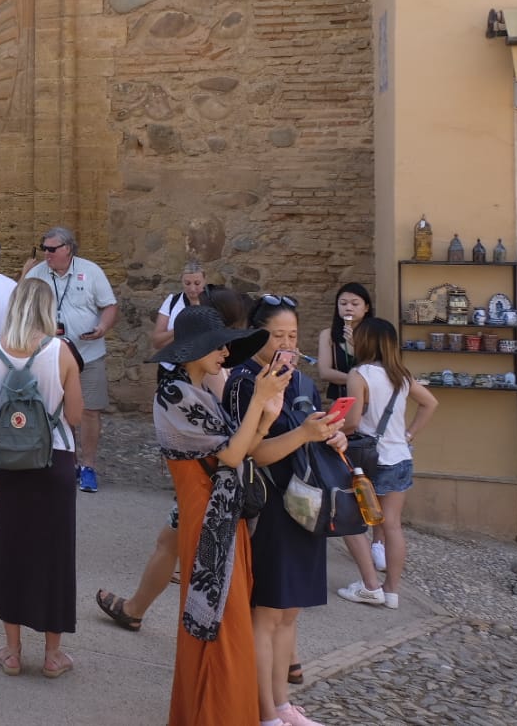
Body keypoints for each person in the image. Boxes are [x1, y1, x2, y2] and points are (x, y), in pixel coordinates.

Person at [149, 305, 289, 726]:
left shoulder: (201, 392)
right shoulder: (173, 394)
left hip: (222, 519)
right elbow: (230, 454)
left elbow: (242, 450)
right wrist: (259, 404)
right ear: (193, 350)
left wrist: (267, 418)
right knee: (219, 625)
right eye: (217, 347)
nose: (225, 353)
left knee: (227, 624)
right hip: (205, 518)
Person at [96, 288, 250, 634]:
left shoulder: (210, 365)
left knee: (200, 558)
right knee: (169, 543)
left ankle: (277, 651)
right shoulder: (200, 374)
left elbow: (226, 437)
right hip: (208, 478)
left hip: (209, 482)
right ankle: (135, 608)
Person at [223, 296, 347, 726]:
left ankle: (280, 705)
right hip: (270, 502)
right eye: (278, 336)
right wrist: (304, 435)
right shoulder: (243, 381)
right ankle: (263, 712)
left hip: (307, 501)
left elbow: (311, 431)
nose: (288, 344)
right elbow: (250, 453)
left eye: (293, 336)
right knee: (269, 611)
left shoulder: (301, 380)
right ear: (258, 334)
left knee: (290, 612)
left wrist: (332, 436)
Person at [0, 281, 82, 680]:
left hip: (6, 462)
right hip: (53, 459)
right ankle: (52, 654)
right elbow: (75, 415)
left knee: (10, 551)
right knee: (54, 556)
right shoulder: (62, 352)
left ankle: (11, 650)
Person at [336, 317, 439, 611]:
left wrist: (328, 429)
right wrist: (408, 434)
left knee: (351, 521)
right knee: (392, 526)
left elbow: (354, 421)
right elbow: (430, 403)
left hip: (369, 459)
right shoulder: (400, 375)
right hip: (400, 456)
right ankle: (391, 592)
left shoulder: (359, 373)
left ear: (366, 340)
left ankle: (370, 586)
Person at [23, 226, 117, 494]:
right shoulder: (38, 273)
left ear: (68, 249)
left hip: (88, 355)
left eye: (51, 249)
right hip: (48, 356)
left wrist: (102, 328)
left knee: (89, 410)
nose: (46, 254)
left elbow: (110, 306)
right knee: (51, 409)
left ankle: (88, 466)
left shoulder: (91, 271)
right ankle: (65, 463)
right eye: (44, 248)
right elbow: (20, 303)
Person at [315, 282, 372, 403]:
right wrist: (356, 381)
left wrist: (355, 344)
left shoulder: (375, 334)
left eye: (355, 303)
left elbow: (377, 368)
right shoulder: (327, 335)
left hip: (370, 399)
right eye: (343, 303)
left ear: (366, 307)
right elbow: (325, 372)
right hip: (340, 400)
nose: (348, 308)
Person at [151, 263, 208, 370]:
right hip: (171, 368)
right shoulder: (172, 302)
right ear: (181, 281)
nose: (192, 288)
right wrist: (181, 328)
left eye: (197, 283)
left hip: (203, 369)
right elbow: (157, 342)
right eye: (187, 283)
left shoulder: (214, 303)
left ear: (205, 281)